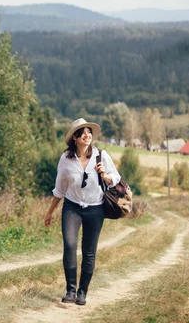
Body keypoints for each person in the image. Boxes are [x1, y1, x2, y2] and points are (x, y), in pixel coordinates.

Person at [44, 118, 121, 305]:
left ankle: (82, 292)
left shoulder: (101, 156)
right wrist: (50, 212)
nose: (87, 135)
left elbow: (116, 178)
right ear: (76, 138)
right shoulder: (66, 159)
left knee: (89, 252)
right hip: (72, 207)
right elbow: (60, 189)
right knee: (70, 245)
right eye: (83, 132)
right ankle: (70, 290)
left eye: (89, 132)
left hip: (95, 209)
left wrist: (105, 175)